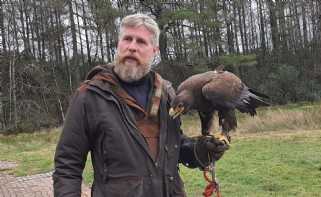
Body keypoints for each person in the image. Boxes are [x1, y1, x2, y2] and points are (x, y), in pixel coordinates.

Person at [53, 13, 229, 197]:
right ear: (118, 44)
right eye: (127, 39)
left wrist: (200, 149)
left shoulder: (166, 93)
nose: (132, 47)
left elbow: (173, 145)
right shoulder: (90, 96)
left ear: (155, 50)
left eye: (141, 42)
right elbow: (67, 165)